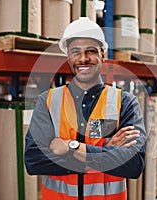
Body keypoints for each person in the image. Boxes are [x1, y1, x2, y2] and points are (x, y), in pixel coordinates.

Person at [25, 17, 147, 200]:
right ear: (68, 57)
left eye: (91, 51)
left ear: (102, 55)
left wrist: (71, 146)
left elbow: (133, 164)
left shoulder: (125, 102)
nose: (83, 58)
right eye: (75, 52)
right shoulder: (48, 101)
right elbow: (34, 160)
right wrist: (107, 151)